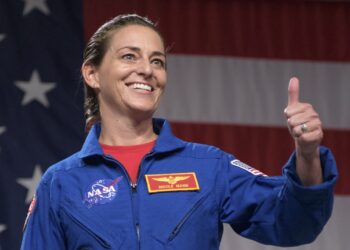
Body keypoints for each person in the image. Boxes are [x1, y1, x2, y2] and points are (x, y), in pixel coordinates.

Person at [21, 14, 337, 250]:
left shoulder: (209, 167)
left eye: (157, 61)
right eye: (129, 56)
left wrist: (307, 155)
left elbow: (293, 224)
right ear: (92, 73)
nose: (147, 69)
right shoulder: (59, 184)